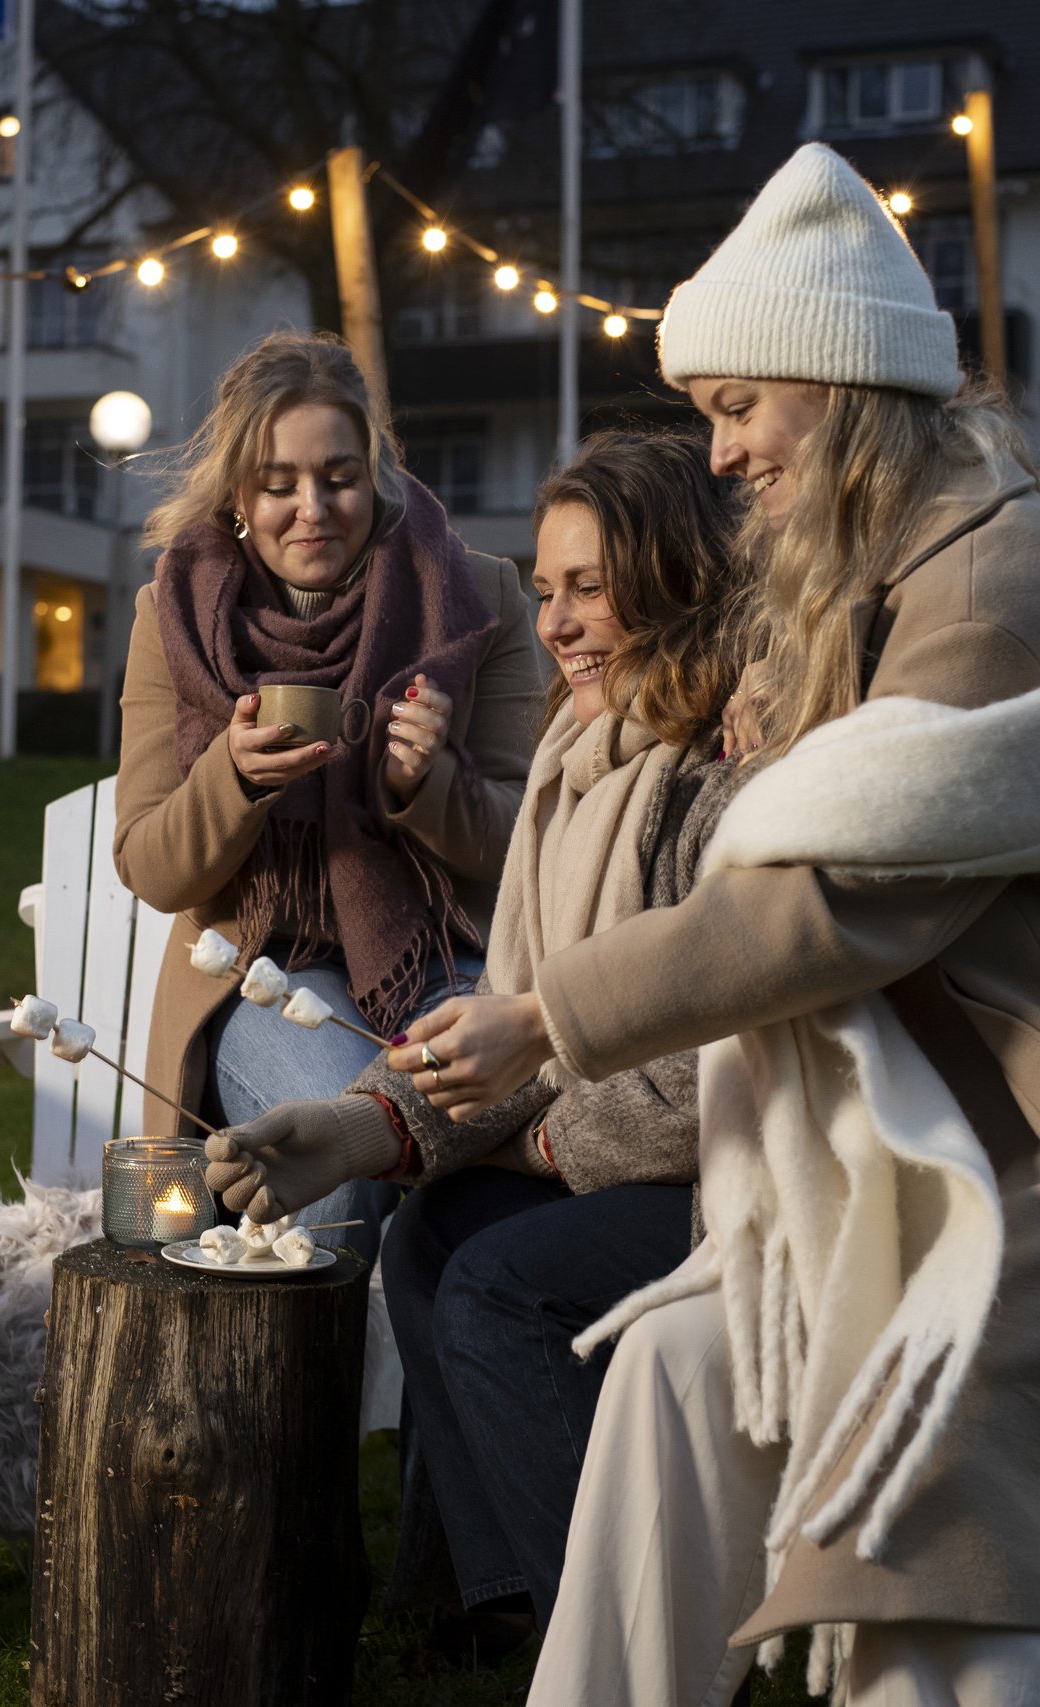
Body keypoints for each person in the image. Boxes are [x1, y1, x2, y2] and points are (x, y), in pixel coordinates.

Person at [390, 143, 1040, 1706]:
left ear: (848, 383)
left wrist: (541, 1015)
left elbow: (835, 895)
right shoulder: (875, 584)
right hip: (953, 1116)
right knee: (679, 1368)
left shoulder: (997, 591)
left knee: (932, 1470)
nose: (724, 453)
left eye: (743, 406)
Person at [202, 432, 748, 1649]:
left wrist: (540, 1151)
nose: (555, 623)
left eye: (591, 587)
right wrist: (353, 1128)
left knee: (503, 1281)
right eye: (546, 589)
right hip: (650, 1154)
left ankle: (612, 1649)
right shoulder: (580, 766)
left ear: (675, 577)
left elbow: (715, 1078)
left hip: (758, 1180)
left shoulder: (724, 781)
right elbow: (522, 1031)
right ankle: (503, 1595)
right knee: (431, 1240)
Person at [112, 330, 546, 1251]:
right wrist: (232, 780)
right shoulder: (176, 614)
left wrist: (429, 786)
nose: (312, 509)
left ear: (375, 472)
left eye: (339, 477)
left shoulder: (475, 598)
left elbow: (527, 844)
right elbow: (151, 866)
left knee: (502, 1148)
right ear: (239, 492)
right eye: (279, 484)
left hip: (445, 960)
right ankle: (314, 1390)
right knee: (343, 1140)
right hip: (266, 976)